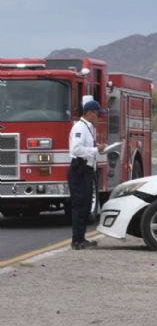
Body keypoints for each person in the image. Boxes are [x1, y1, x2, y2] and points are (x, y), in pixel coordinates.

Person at [67, 100, 106, 250]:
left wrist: (97, 148)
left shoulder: (87, 128)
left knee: (85, 205)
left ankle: (81, 238)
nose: (99, 118)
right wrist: (96, 150)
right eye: (98, 115)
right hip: (79, 169)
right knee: (79, 205)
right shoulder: (80, 127)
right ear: (90, 113)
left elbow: (85, 147)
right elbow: (76, 149)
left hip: (86, 169)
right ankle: (76, 240)